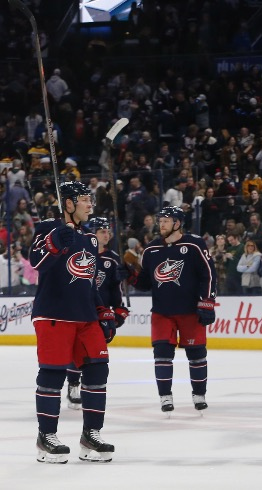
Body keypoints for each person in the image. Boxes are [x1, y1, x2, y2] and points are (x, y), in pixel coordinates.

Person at [29, 181, 118, 463]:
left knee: (98, 370)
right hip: (54, 314)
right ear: (68, 204)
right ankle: (46, 437)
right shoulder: (47, 227)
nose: (90, 204)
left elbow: (89, 281)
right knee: (53, 374)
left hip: (85, 316)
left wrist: (103, 310)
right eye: (83, 199)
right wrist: (54, 243)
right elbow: (35, 261)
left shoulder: (91, 239)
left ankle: (91, 435)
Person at [130, 206, 217, 413]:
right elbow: (144, 283)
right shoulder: (151, 250)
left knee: (197, 355)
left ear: (177, 223)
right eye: (160, 221)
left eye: (166, 221)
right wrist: (129, 274)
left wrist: (207, 302)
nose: (161, 224)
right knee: (161, 353)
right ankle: (165, 396)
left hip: (190, 311)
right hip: (162, 312)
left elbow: (209, 274)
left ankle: (199, 395)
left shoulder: (195, 245)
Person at [66, 218, 129, 410]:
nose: (106, 234)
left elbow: (115, 288)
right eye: (102, 231)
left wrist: (118, 309)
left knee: (95, 354)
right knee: (75, 349)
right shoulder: (79, 252)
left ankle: (88, 386)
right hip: (78, 308)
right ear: (92, 233)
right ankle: (73, 385)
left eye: (107, 231)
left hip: (99, 313)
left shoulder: (112, 258)